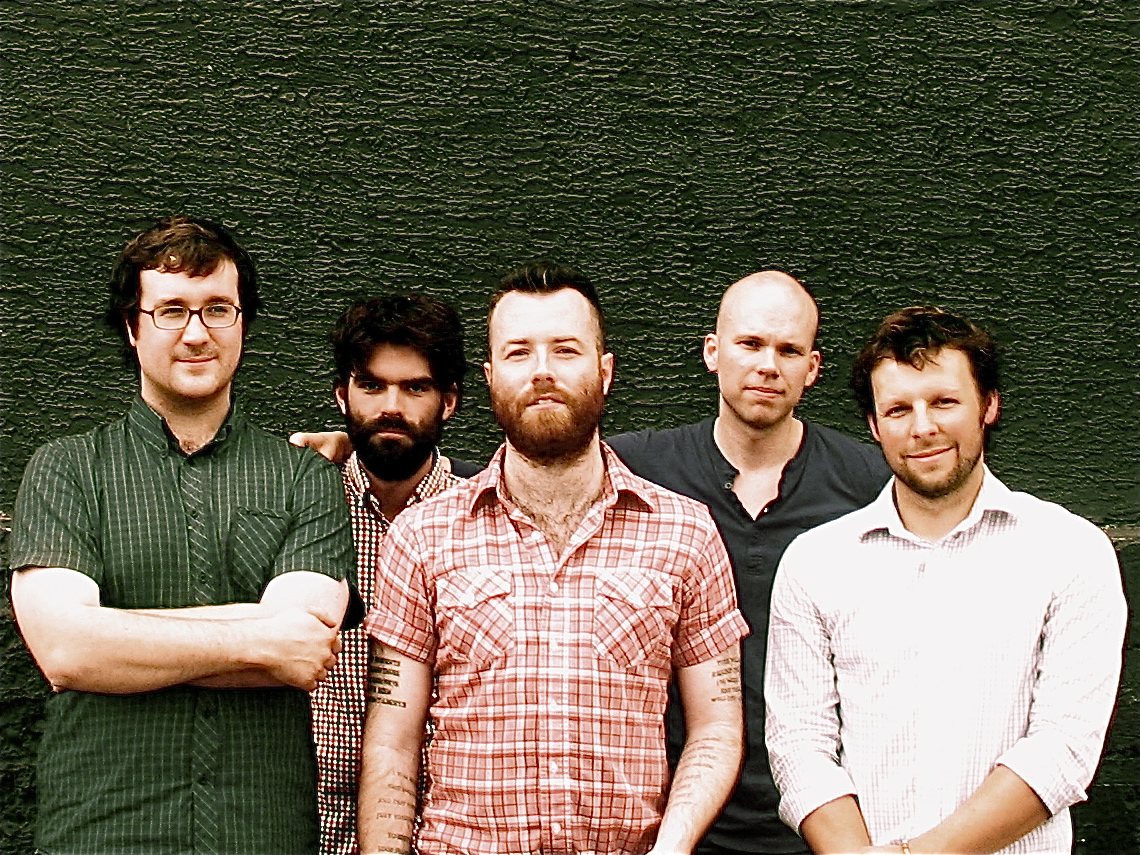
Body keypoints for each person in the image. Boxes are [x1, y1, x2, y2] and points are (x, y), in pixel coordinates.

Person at [356, 263, 751, 855]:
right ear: (491, 377)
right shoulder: (422, 536)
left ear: (605, 370)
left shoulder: (685, 533)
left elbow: (716, 728)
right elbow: (392, 741)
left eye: (565, 350)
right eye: (518, 352)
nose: (542, 370)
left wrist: (671, 848)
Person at [8, 216, 354, 855]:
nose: (197, 333)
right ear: (133, 327)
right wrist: (259, 637)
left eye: (217, 308)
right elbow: (66, 650)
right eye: (171, 310)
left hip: (261, 833)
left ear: (242, 323)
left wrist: (117, 637)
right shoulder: (67, 470)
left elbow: (305, 645)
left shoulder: (303, 477)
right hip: (103, 833)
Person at [764, 306, 1126, 854]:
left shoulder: (1070, 552)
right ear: (874, 426)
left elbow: (1063, 748)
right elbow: (799, 745)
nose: (922, 427)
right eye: (898, 409)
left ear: (989, 405)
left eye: (944, 402)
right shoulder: (815, 563)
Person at [606, 270, 890, 855]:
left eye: (789, 351)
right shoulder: (635, 471)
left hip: (829, 821)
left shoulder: (869, 484)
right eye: (750, 344)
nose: (768, 365)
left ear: (812, 369)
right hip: (668, 820)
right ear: (712, 352)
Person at [309, 294, 467, 855]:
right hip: (303, 824)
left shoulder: (485, 520)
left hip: (441, 829)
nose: (391, 407)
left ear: (449, 401)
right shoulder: (300, 506)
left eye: (415, 388)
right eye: (372, 386)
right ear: (342, 395)